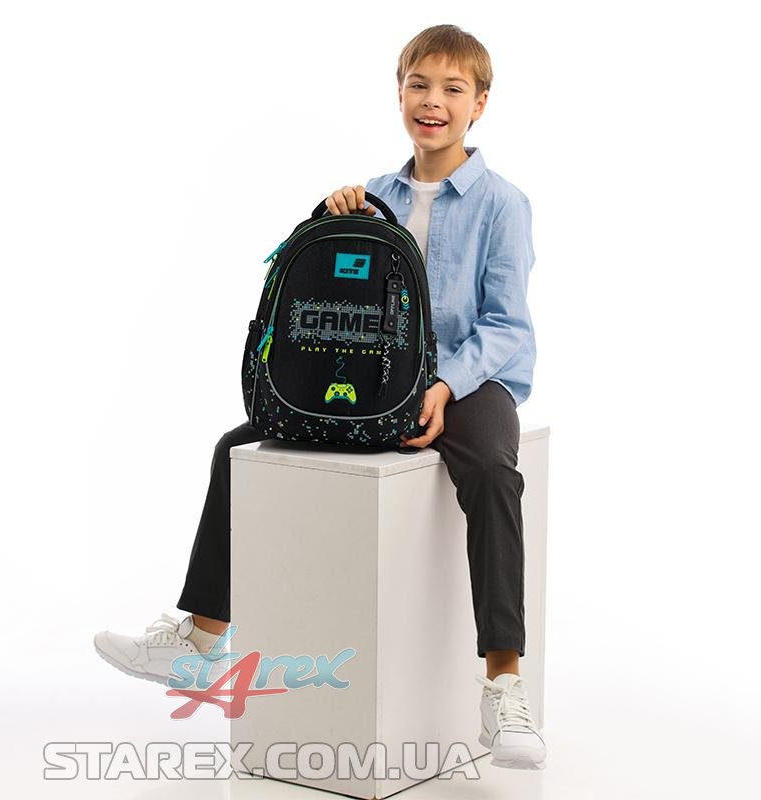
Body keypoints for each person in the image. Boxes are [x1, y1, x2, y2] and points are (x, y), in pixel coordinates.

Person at [93, 23, 545, 771]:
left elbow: (506, 327)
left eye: (452, 89)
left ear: (480, 104)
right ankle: (201, 641)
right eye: (418, 85)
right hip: (376, 375)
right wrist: (335, 218)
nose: (432, 102)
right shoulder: (374, 194)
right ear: (399, 92)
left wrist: (444, 384)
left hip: (465, 379)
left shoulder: (503, 204)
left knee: (495, 471)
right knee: (238, 449)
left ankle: (504, 684)